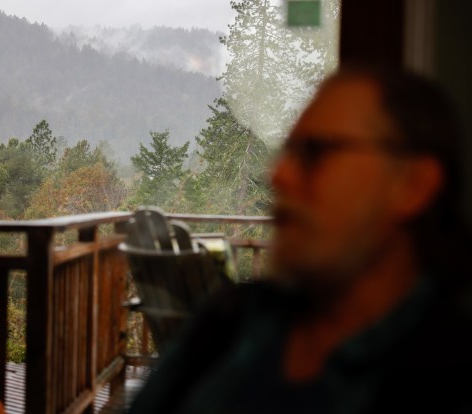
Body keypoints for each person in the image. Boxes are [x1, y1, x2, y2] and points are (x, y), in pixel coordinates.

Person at [126, 66, 472, 413]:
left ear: (414, 186)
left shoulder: (446, 380)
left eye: (314, 152)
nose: (278, 174)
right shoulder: (233, 322)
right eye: (288, 151)